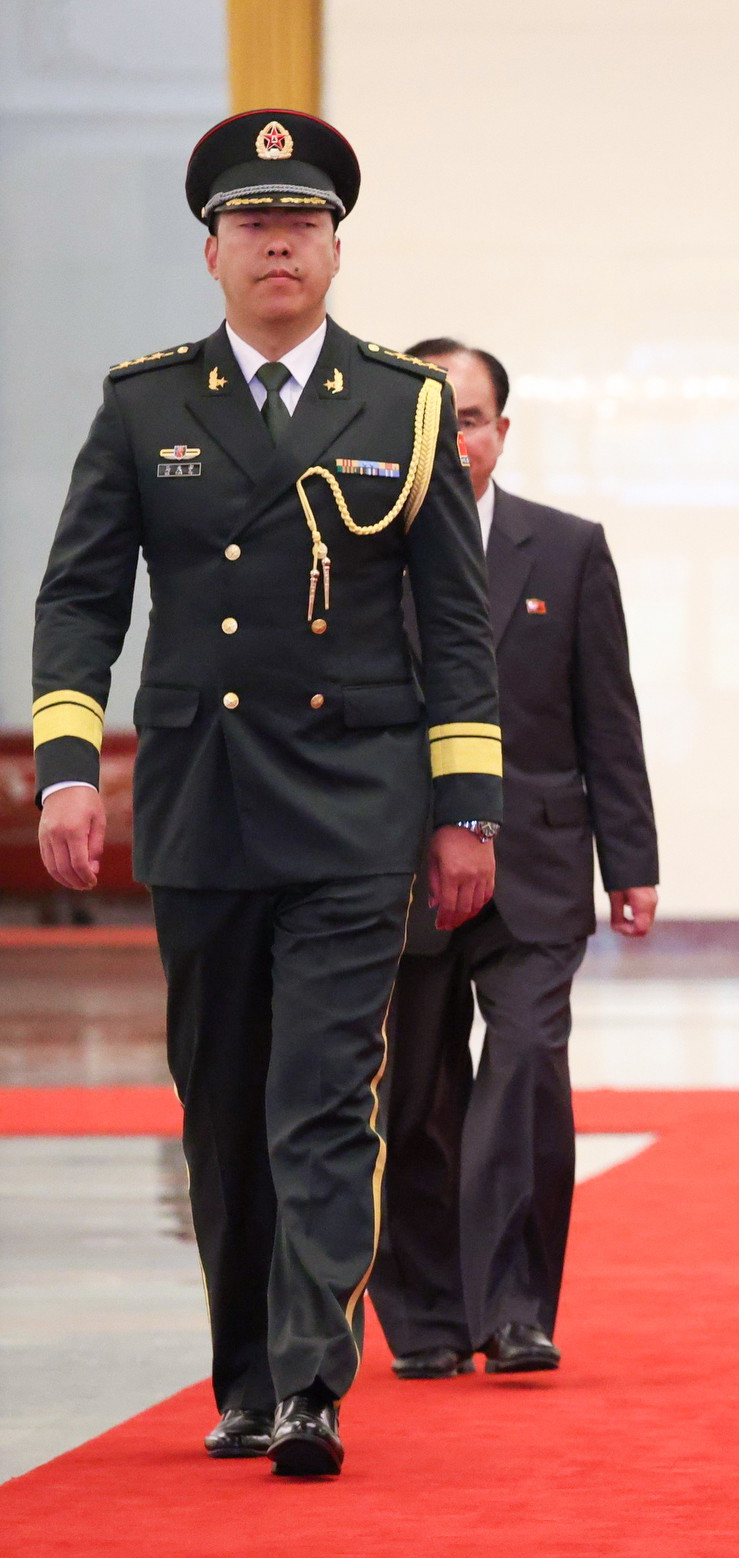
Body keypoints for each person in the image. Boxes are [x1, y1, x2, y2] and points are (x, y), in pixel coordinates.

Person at [29, 110, 500, 1475]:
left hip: (355, 799)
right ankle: (241, 1378)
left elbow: (455, 624)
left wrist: (465, 807)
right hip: (203, 798)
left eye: (301, 222)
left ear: (337, 250)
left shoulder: (403, 403)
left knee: (322, 1095)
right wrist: (69, 768)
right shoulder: (146, 403)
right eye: (252, 223)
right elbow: (80, 597)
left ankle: (309, 1383)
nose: (277, 242)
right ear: (212, 252)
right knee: (223, 1103)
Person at [367, 338, 660, 1380]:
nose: (456, 439)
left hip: (537, 859)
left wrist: (631, 858)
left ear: (502, 429)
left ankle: (517, 1308)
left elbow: (606, 713)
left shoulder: (566, 549)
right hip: (399, 862)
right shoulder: (358, 548)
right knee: (415, 1092)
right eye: (434, 420)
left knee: (527, 1066)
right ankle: (429, 1317)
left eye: (471, 419)